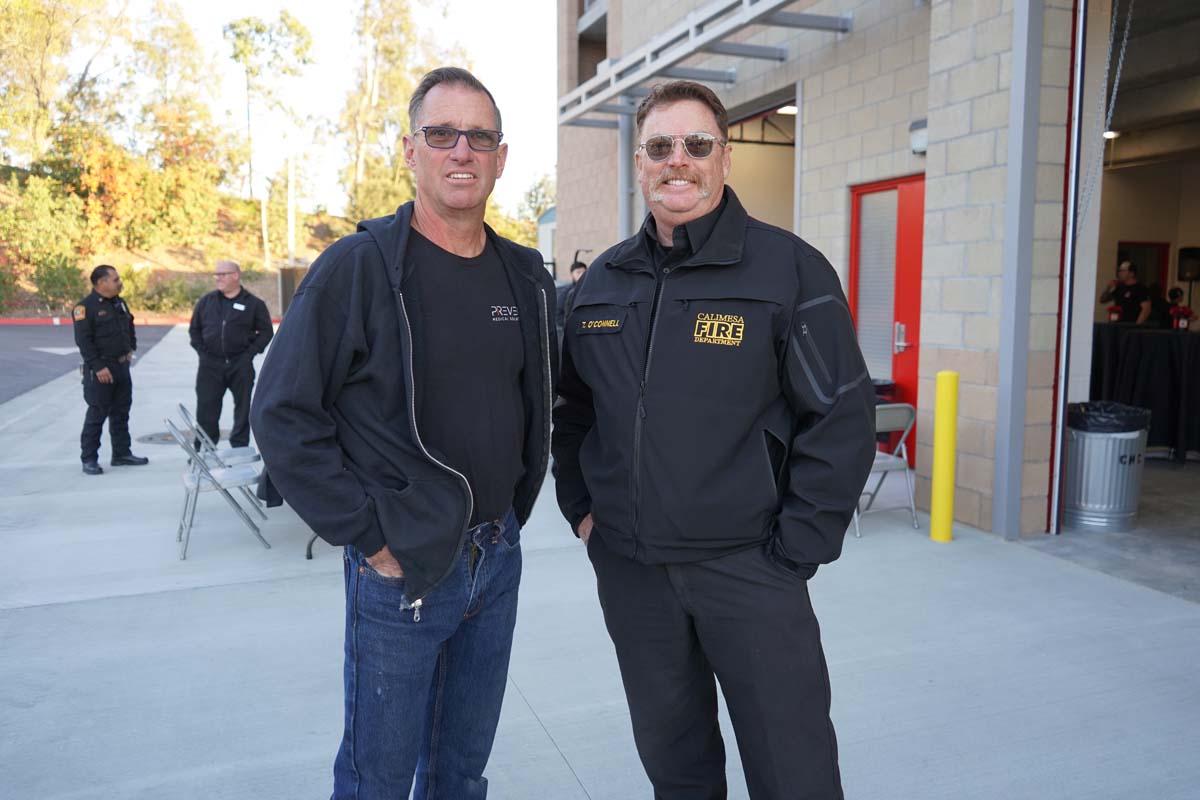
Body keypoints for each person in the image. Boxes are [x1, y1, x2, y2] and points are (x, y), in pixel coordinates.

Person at [552, 81, 876, 800]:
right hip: (634, 574)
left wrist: (795, 548)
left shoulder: (788, 270)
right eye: (661, 146)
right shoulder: (602, 281)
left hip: (749, 569)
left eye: (697, 145)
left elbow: (843, 417)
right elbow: (574, 408)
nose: (679, 160)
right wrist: (583, 509)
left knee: (793, 771)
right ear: (639, 162)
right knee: (676, 766)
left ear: (724, 158)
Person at [250, 67, 556, 800]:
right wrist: (368, 536)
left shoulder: (523, 275)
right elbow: (282, 412)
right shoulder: (358, 268)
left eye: (479, 136)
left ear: (501, 158)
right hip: (401, 569)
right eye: (441, 133)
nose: (461, 150)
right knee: (376, 781)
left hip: (495, 557)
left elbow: (541, 399)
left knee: (461, 773)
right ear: (411, 152)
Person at [72, 265, 149, 475]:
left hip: (121, 366)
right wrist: (98, 366)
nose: (119, 282)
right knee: (97, 414)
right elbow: (83, 341)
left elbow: (129, 325)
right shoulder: (84, 308)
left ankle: (121, 454)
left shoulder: (119, 303)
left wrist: (130, 348)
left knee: (121, 412)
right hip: (101, 370)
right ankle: (89, 459)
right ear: (101, 283)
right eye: (115, 279)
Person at [188, 260, 273, 448]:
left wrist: (249, 354)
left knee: (243, 409)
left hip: (240, 365)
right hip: (210, 366)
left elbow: (266, 332)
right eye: (216, 274)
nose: (217, 278)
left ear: (235, 275)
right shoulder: (206, 302)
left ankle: (239, 446)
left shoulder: (253, 304)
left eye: (222, 274)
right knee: (206, 408)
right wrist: (203, 353)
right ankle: (205, 448)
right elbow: (194, 330)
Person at [1099, 260, 1151, 324]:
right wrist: (1108, 288)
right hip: (1117, 324)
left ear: (1132, 274)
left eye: (1123, 271)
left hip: (1130, 325)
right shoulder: (1120, 287)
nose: (1119, 273)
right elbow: (1102, 300)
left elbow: (1146, 309)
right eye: (1119, 271)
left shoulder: (1140, 288)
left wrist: (1136, 326)